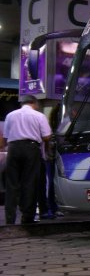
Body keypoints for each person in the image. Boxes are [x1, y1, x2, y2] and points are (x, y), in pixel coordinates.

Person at [1, 95, 52, 225]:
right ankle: (27, 217)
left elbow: (5, 137)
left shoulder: (10, 115)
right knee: (29, 183)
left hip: (13, 148)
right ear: (33, 103)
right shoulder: (39, 116)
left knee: (11, 184)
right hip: (31, 149)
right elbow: (46, 137)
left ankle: (10, 219)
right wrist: (46, 150)